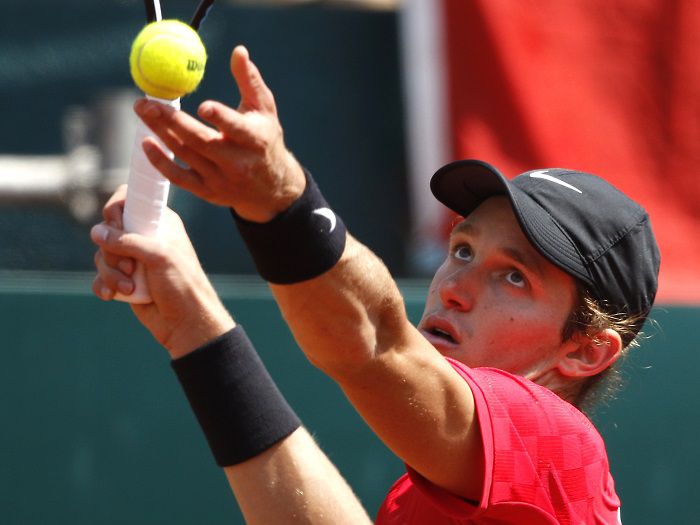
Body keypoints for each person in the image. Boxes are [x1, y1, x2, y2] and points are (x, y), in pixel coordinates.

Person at [91, 45, 660, 524]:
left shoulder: (561, 450)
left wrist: (282, 202)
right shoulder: (430, 492)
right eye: (462, 249)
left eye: (514, 277)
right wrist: (193, 322)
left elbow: (375, 345)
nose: (455, 287)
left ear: (586, 350)